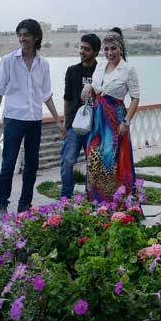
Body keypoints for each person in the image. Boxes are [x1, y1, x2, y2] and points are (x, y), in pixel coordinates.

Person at [0, 19, 65, 218]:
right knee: (8, 163)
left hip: (34, 120)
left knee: (32, 164)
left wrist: (57, 119)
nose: (22, 38)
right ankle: (2, 204)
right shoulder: (8, 60)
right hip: (13, 119)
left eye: (26, 35)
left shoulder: (43, 64)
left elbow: (46, 94)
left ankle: (25, 205)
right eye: (20, 34)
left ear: (36, 37)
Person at [81, 29, 140, 203]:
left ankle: (119, 205)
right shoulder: (100, 66)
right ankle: (96, 203)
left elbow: (135, 98)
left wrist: (126, 122)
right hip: (98, 118)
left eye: (113, 48)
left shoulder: (128, 69)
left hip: (116, 118)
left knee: (112, 159)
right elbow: (95, 87)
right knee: (93, 154)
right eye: (106, 49)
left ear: (120, 48)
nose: (109, 53)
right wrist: (88, 87)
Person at [59, 33, 100, 199]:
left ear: (96, 52)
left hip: (96, 125)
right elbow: (67, 98)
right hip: (74, 126)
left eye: (87, 49)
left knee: (94, 163)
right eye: (81, 48)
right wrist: (65, 123)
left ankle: (91, 197)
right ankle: (65, 198)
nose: (82, 51)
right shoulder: (72, 71)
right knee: (68, 161)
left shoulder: (102, 72)